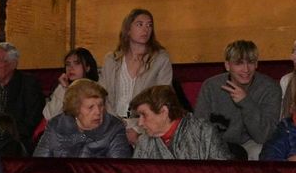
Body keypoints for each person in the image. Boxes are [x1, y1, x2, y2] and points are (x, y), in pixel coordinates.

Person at [195, 40, 283, 160]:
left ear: (256, 64)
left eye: (251, 63)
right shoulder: (211, 86)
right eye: (239, 63)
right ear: (227, 66)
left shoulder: (269, 88)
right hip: (217, 144)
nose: (246, 69)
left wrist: (246, 102)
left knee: (261, 151)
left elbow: (264, 136)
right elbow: (199, 128)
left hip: (251, 144)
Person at [100, 9, 174, 143]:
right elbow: (102, 96)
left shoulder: (160, 59)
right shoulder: (111, 60)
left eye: (149, 25)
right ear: (128, 29)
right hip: (112, 124)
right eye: (140, 24)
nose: (146, 29)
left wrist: (138, 129)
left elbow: (163, 98)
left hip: (146, 126)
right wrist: (116, 125)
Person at [33, 79, 131, 159]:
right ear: (75, 109)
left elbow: (119, 171)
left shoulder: (114, 128)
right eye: (90, 107)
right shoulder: (56, 125)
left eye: (101, 105)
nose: (98, 112)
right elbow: (39, 164)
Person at [131, 84, 229, 160]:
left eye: (144, 115)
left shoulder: (204, 132)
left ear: (164, 111)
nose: (140, 123)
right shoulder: (144, 142)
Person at [0, 42, 43, 145]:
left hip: (19, 141)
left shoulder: (28, 85)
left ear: (12, 64)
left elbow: (32, 120)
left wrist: (9, 137)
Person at [42, 46, 101, 122]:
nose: (71, 68)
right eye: (68, 64)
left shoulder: (97, 89)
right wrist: (63, 89)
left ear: (87, 67)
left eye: (76, 63)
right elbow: (49, 116)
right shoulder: (62, 88)